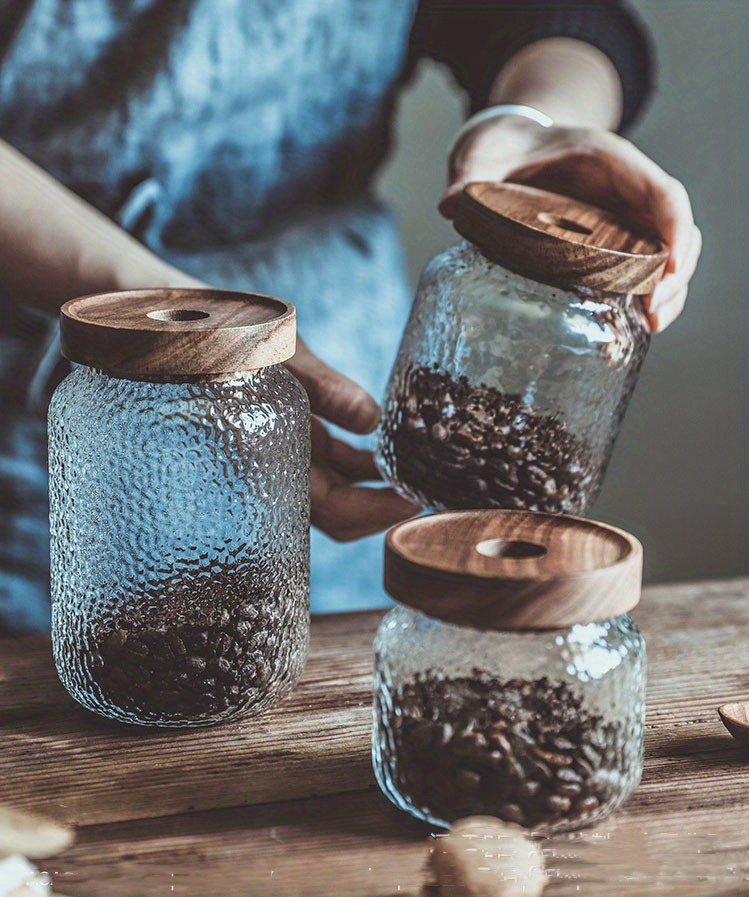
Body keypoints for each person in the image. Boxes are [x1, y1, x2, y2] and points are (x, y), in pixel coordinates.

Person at [0, 1, 700, 635]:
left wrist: (535, 124)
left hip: (328, 380)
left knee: (320, 681)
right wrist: (169, 314)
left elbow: (547, 16)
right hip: (46, 406)